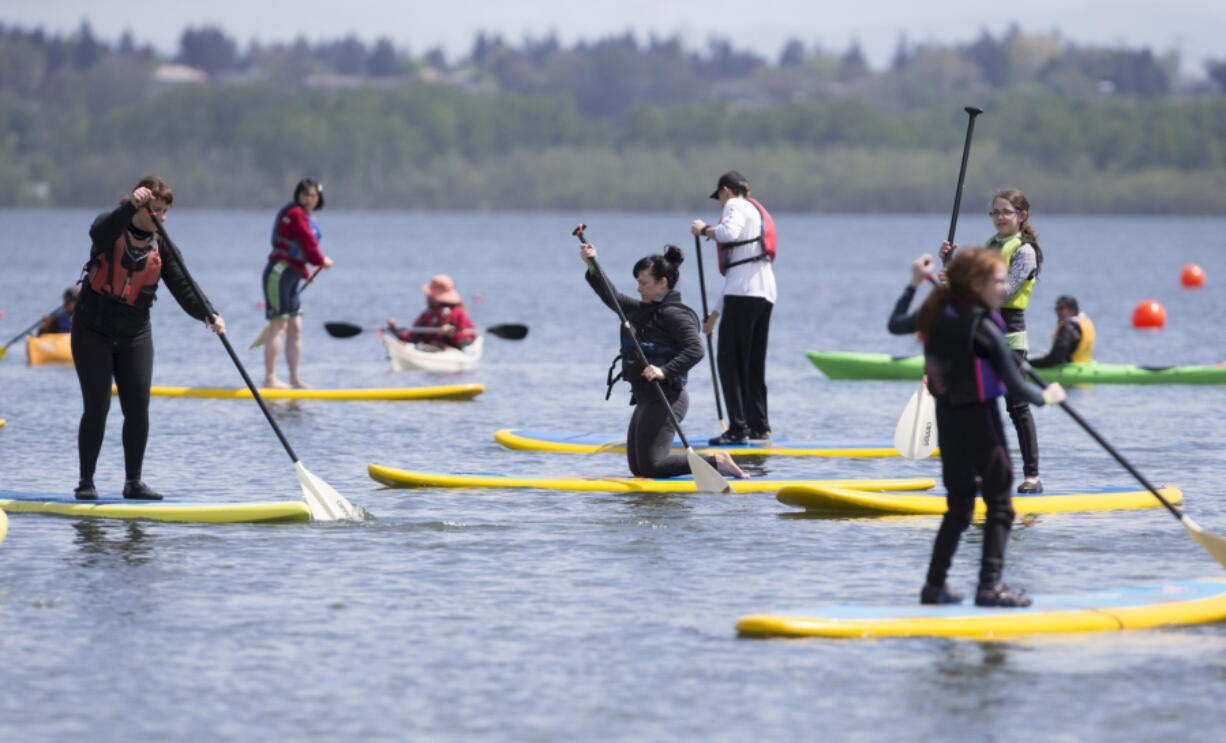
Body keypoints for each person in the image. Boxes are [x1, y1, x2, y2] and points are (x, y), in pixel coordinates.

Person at [889, 249, 1066, 607]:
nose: (1004, 289)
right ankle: (990, 587)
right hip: (981, 420)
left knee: (958, 506)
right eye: (998, 282)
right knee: (1001, 503)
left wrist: (912, 284)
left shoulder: (934, 312)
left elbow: (895, 323)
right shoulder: (983, 326)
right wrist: (1048, 396)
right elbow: (1016, 387)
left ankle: (934, 585)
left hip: (948, 420)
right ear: (976, 284)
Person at [72, 176, 225, 501]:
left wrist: (209, 314)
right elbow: (98, 234)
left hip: (134, 335)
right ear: (140, 205)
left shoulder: (162, 244)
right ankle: (86, 482)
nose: (162, 219)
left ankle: (133, 482)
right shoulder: (110, 226)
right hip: (92, 332)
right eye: (156, 211)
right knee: (97, 407)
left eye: (165, 212)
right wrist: (129, 206)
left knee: (138, 408)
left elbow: (185, 286)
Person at [580, 241, 746, 480]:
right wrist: (593, 265)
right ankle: (710, 463)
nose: (638, 289)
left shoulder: (675, 314)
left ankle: (716, 461)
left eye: (644, 283)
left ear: (663, 283)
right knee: (639, 468)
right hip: (646, 398)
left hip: (668, 397)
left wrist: (664, 370)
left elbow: (696, 349)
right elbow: (611, 295)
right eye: (638, 282)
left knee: (652, 466)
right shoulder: (641, 310)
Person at [941, 188, 1045, 493]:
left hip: (1009, 333)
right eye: (995, 212)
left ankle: (1032, 476)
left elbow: (1004, 292)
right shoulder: (989, 246)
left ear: (1021, 215)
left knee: (1015, 405)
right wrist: (949, 265)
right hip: (980, 332)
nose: (999, 217)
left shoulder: (1025, 251)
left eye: (1005, 212)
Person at [690, 170, 777, 446]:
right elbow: (736, 277)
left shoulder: (736, 205)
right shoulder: (754, 209)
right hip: (763, 293)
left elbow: (728, 233)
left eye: (720, 197)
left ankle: (737, 430)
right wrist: (714, 315)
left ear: (726, 190)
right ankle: (759, 426)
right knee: (752, 363)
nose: (720, 203)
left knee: (729, 362)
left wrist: (703, 229)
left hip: (743, 294)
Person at [263, 178, 333, 388]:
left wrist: (304, 273)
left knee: (295, 328)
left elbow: (299, 252)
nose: (308, 199)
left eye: (313, 196)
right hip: (278, 274)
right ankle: (270, 378)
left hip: (292, 276)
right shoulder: (295, 214)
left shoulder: (306, 215)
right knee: (279, 326)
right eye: (305, 195)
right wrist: (322, 261)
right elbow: (307, 244)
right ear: (298, 195)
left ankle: (294, 378)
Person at [387, 275, 476, 349]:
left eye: (430, 295)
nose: (427, 297)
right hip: (431, 348)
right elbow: (412, 336)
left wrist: (451, 334)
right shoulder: (427, 315)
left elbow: (468, 339)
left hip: (452, 348)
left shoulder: (459, 313)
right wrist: (395, 331)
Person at [1030, 296, 1094, 368]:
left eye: (1061, 309)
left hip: (1070, 373)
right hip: (1084, 369)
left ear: (1072, 310)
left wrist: (1029, 363)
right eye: (1057, 309)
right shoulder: (1083, 324)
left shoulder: (1068, 329)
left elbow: (1055, 358)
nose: (1058, 312)